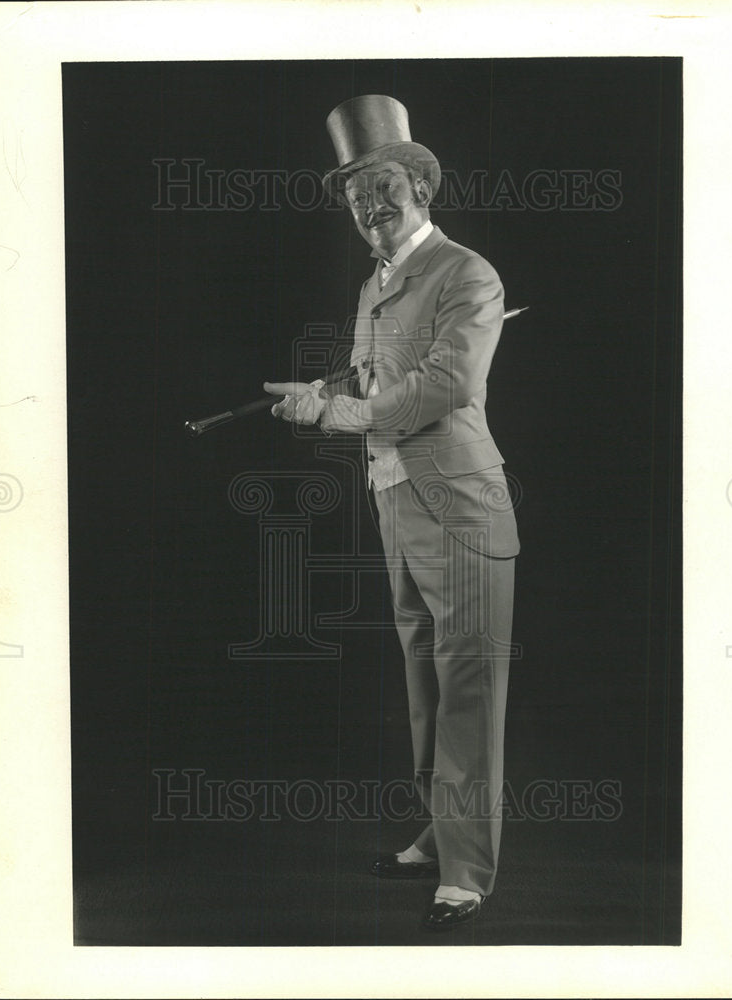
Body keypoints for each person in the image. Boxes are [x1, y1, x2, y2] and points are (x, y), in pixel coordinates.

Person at [264, 95, 520, 931]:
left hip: (462, 506)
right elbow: (374, 381)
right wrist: (325, 389)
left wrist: (336, 415)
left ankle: (469, 870)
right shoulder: (375, 286)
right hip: (395, 499)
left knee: (468, 683)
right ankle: (438, 833)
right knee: (423, 681)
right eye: (355, 198)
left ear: (421, 186)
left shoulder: (467, 272)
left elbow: (447, 386)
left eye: (384, 190)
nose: (370, 209)